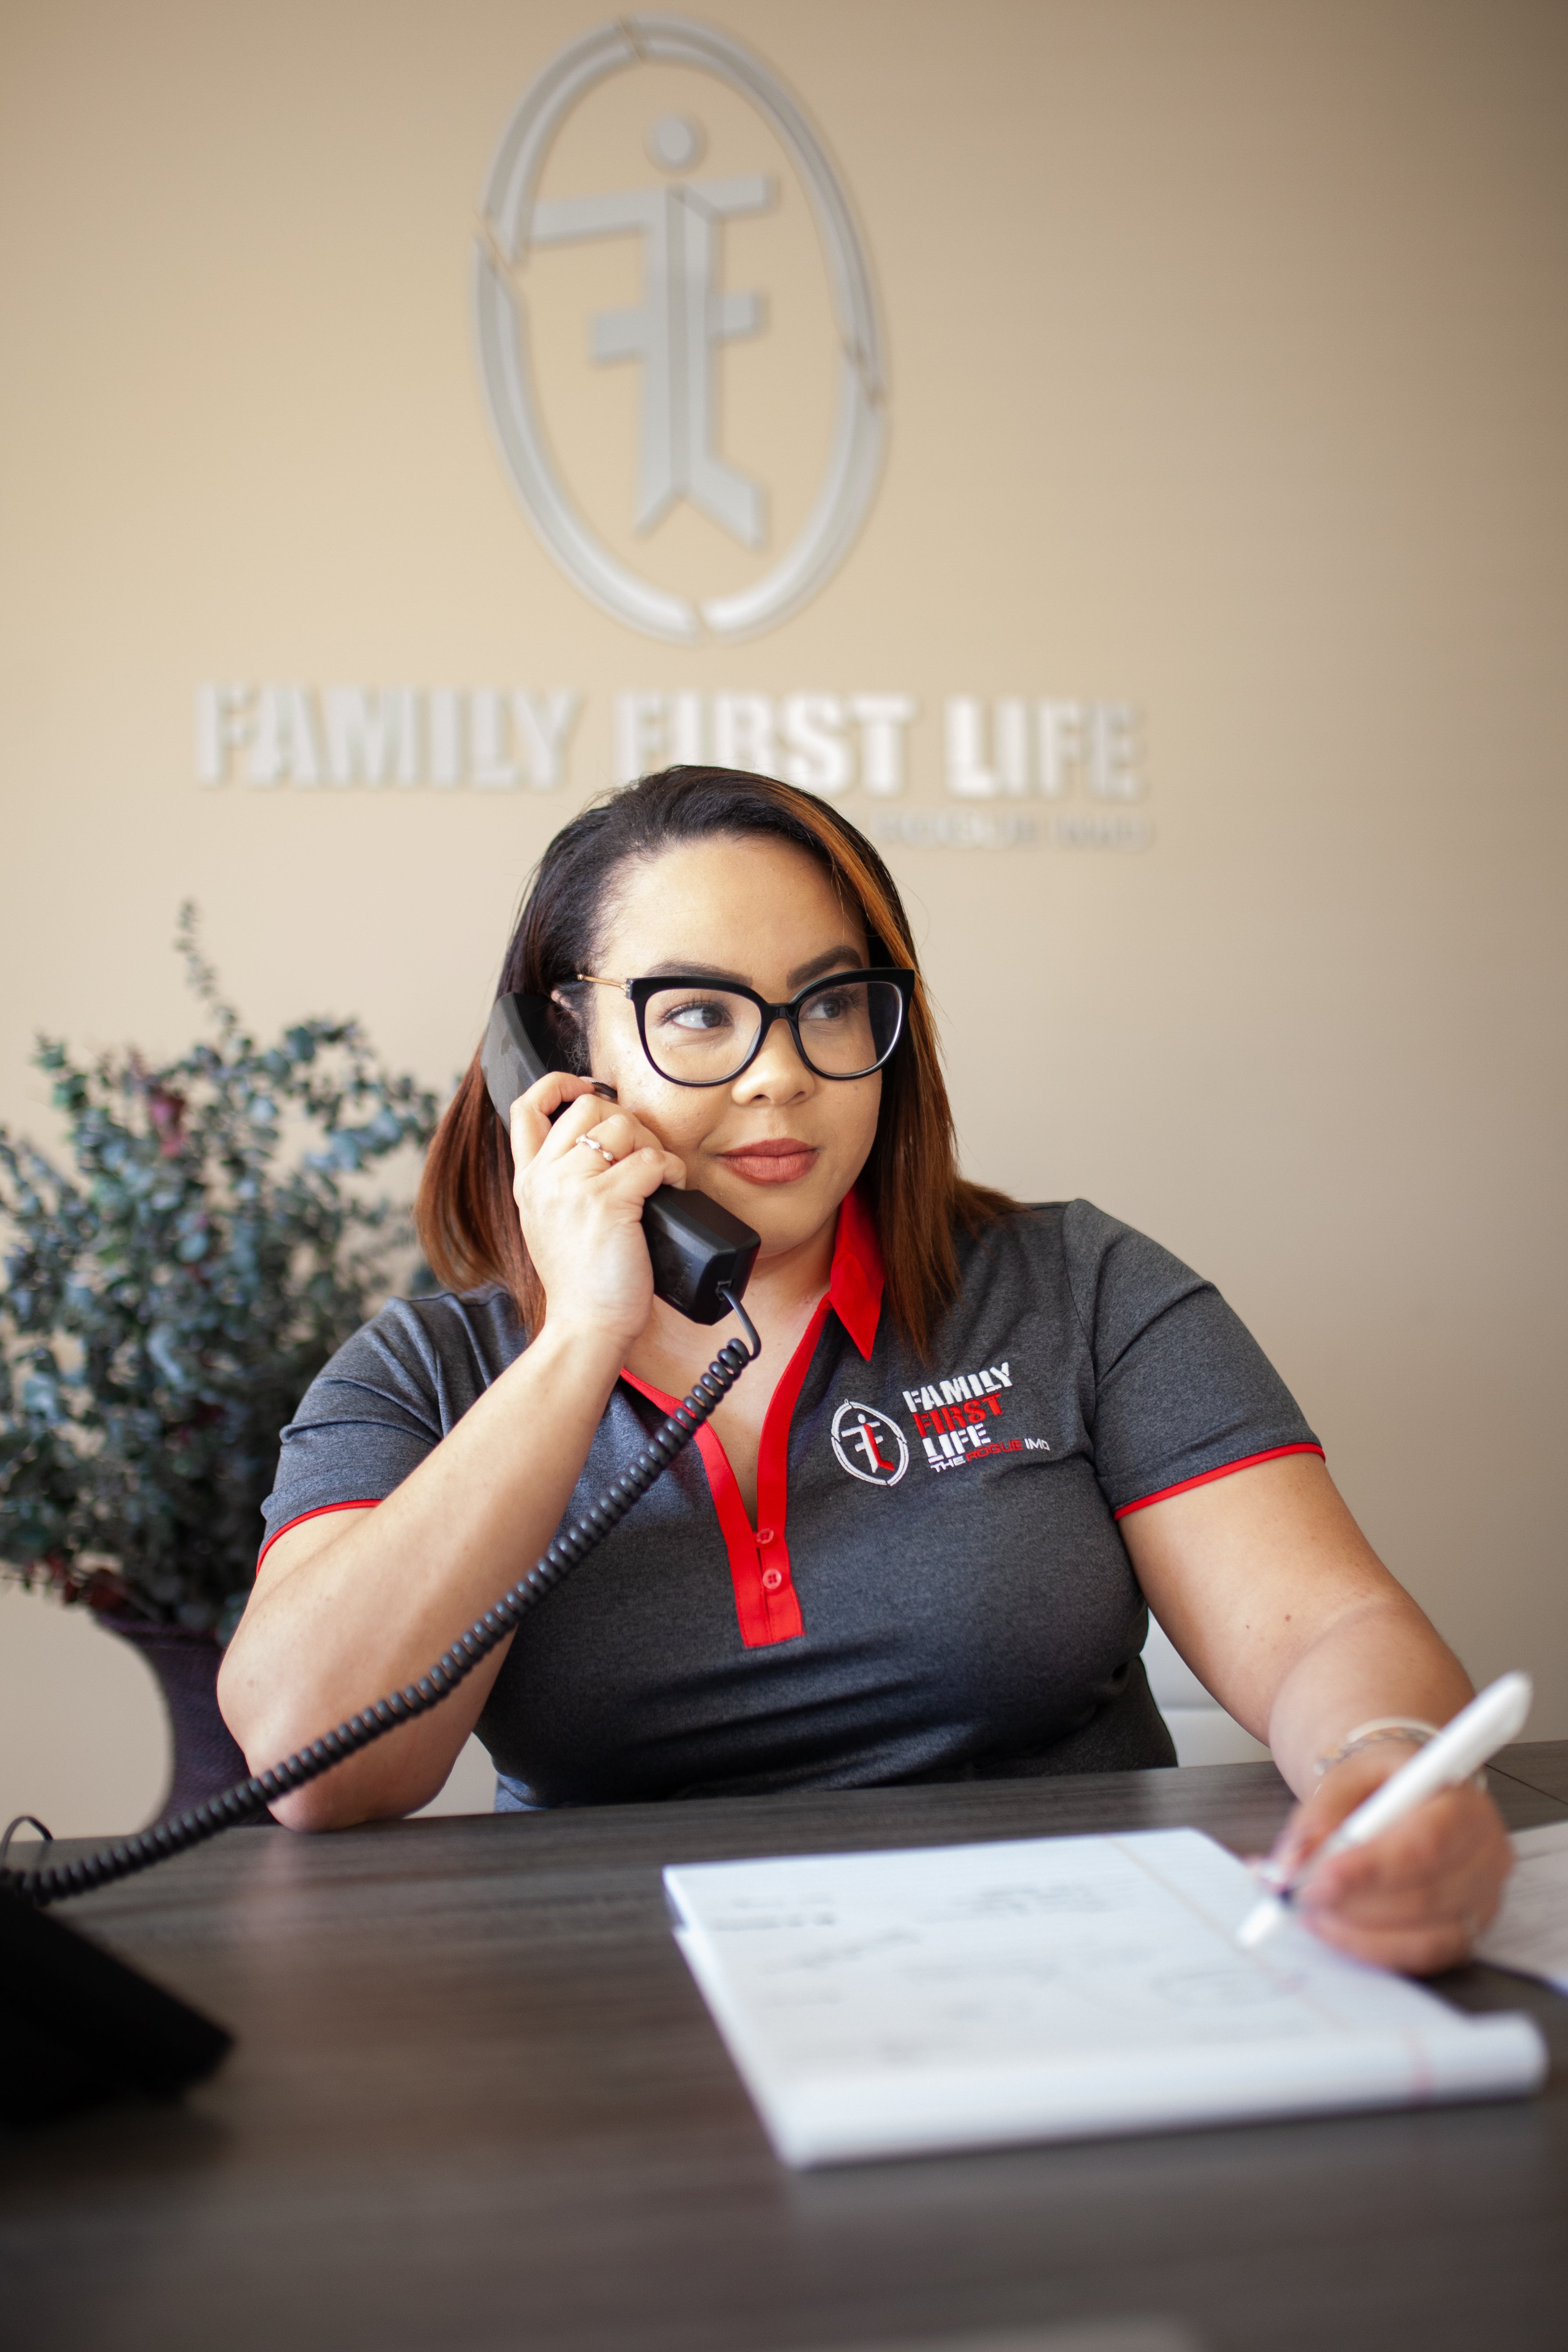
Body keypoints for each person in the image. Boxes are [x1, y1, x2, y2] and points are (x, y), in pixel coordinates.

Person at [218, 766, 1511, 1975]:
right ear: (560, 1048)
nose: (784, 1073)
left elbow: (1326, 1633)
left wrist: (1393, 1771)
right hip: (628, 2028)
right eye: (700, 1014)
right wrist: (577, 1345)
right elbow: (318, 1762)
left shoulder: (1078, 1285)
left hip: (1071, 1974)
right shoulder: (424, 1373)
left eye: (831, 1004)